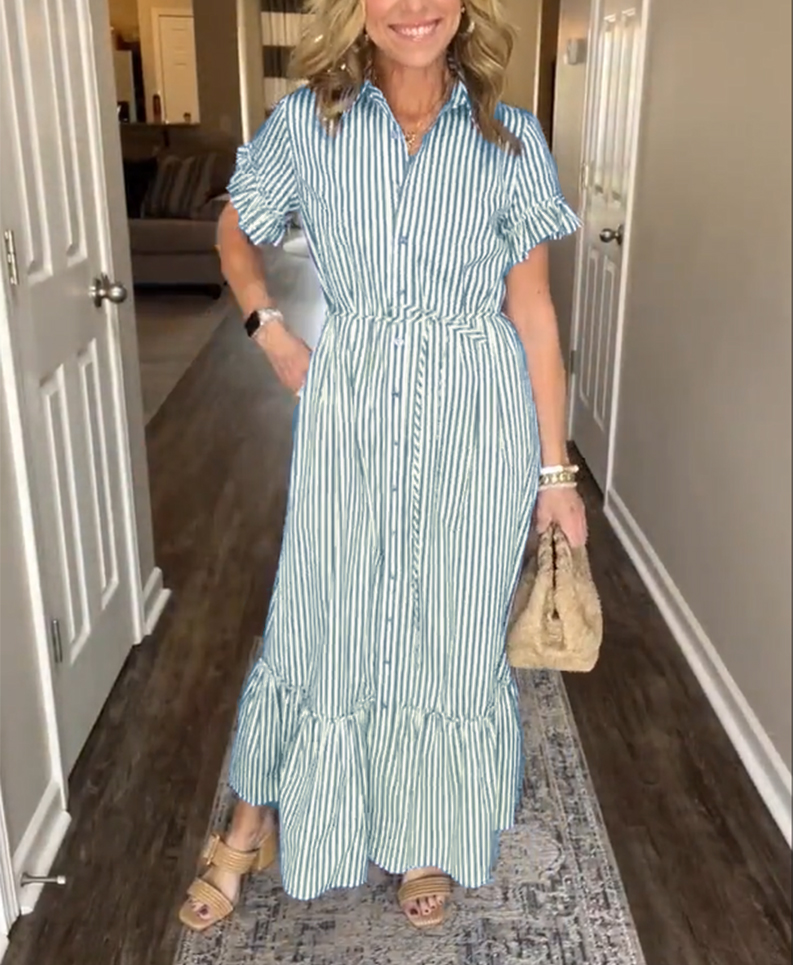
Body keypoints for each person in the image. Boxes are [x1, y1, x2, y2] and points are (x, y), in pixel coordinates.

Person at [180, 0, 587, 933]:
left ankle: (425, 832)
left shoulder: (508, 137)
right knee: (319, 615)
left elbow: (532, 312)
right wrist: (271, 332)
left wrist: (554, 473)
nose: (412, 9)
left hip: (474, 422)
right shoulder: (307, 122)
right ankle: (250, 824)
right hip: (352, 413)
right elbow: (234, 233)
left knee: (448, 629)